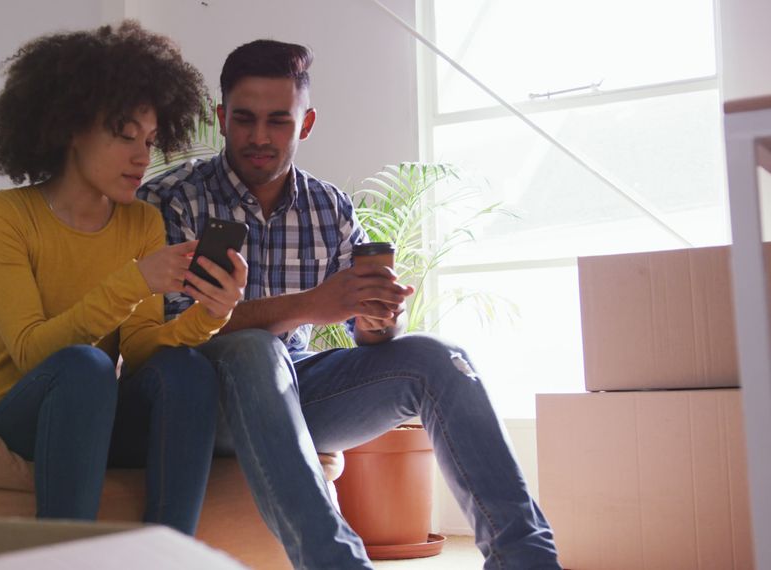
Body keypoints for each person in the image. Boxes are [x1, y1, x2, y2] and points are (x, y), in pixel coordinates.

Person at [138, 39, 560, 568]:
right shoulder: (172, 199)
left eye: (279, 121)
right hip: (202, 399)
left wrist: (377, 316)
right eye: (244, 119)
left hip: (296, 391)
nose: (260, 138)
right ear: (222, 118)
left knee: (440, 357)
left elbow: (367, 335)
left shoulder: (328, 206)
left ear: (306, 124)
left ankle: (529, 559)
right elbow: (168, 331)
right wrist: (314, 304)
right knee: (254, 351)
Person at [0, 21, 247, 536]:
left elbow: (139, 351)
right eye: (125, 136)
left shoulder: (141, 221)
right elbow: (32, 353)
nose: (144, 157)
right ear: (70, 127)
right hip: (12, 414)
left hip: (91, 408)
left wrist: (211, 315)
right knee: (86, 367)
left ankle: (168, 555)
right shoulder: (4, 216)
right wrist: (135, 281)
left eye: (152, 140)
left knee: (186, 369)